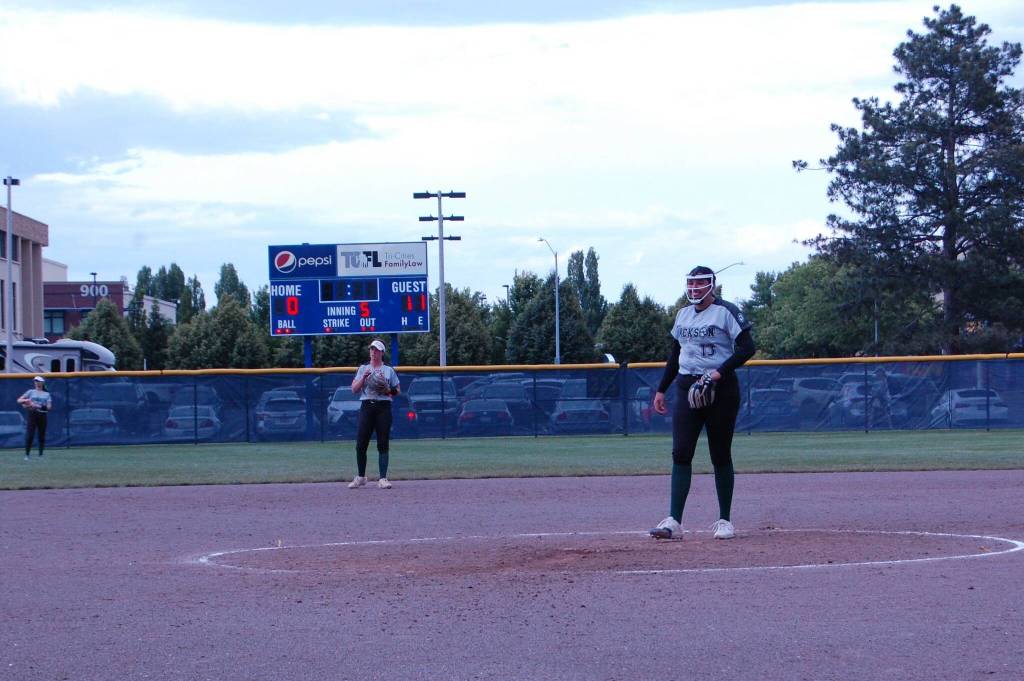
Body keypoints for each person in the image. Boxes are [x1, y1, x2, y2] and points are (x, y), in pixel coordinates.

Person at [649, 266, 755, 540]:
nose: (695, 289)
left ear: (712, 286)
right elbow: (675, 355)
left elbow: (748, 348)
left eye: (700, 284)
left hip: (720, 387)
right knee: (681, 452)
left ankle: (725, 520)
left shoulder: (726, 311)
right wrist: (661, 389)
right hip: (687, 385)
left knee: (720, 453)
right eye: (691, 284)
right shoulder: (683, 315)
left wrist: (720, 372)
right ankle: (673, 521)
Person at [348, 339, 401, 489]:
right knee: (361, 443)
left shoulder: (388, 370)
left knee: (383, 442)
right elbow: (354, 389)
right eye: (372, 349)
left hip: (383, 407)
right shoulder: (363, 368)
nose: (373, 352)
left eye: (377, 350)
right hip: (367, 405)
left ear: (382, 353)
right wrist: (364, 377)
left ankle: (383, 478)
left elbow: (398, 390)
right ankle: (361, 477)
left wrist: (387, 391)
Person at [18, 376, 53, 460]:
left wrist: (39, 406)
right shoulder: (30, 392)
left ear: (42, 383)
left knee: (41, 435)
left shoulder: (46, 394)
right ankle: (27, 455)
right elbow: (19, 400)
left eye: (38, 381)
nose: (36, 382)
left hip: (42, 415)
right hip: (32, 414)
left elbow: (49, 407)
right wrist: (27, 402)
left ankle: (40, 455)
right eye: (35, 381)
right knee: (30, 435)